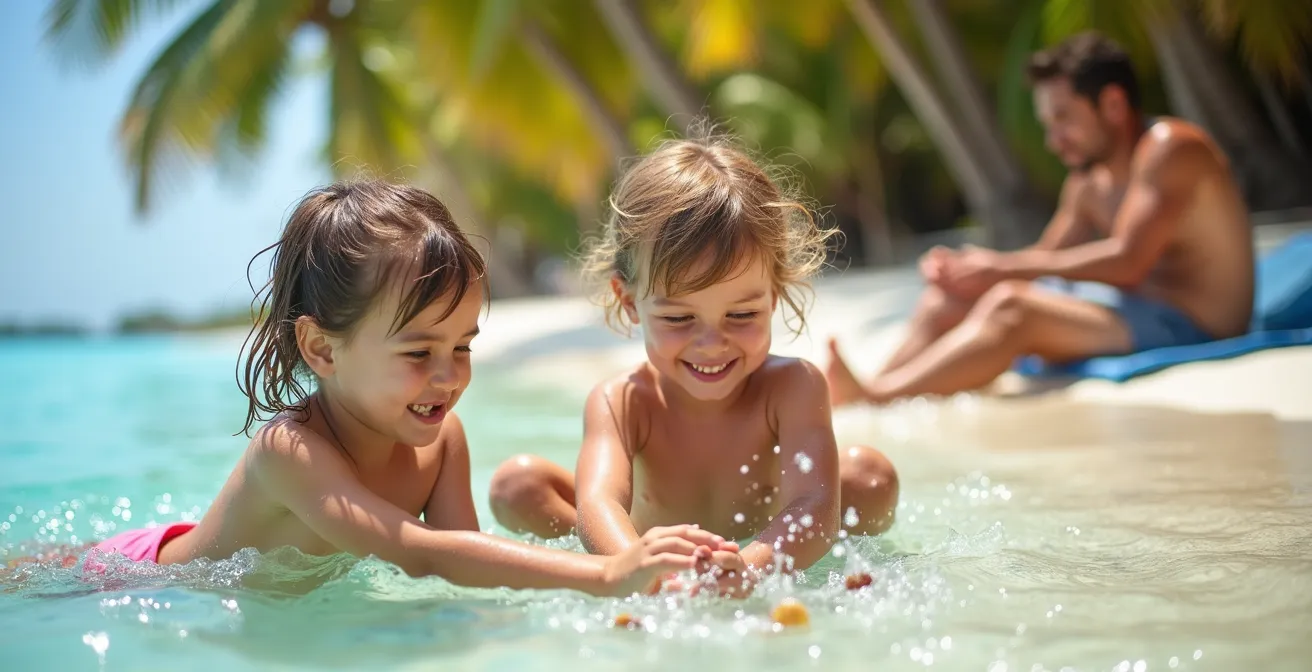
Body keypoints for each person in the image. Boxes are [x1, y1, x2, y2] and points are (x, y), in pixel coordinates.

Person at [84, 180, 742, 597]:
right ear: (321, 348)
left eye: (462, 346)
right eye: (418, 351)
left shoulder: (442, 443)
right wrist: (605, 574)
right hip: (140, 576)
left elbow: (464, 569)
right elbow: (416, 552)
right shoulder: (289, 452)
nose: (449, 374)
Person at [487, 137, 900, 594]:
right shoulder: (623, 400)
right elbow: (599, 500)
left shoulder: (792, 387)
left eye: (741, 315)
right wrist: (636, 566)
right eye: (679, 318)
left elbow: (814, 502)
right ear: (629, 301)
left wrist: (753, 565)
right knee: (517, 485)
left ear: (774, 295)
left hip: (761, 540)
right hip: (646, 541)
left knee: (869, 477)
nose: (711, 343)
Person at [825, 31, 1254, 406]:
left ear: (1113, 103)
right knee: (948, 301)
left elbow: (1128, 262)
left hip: (1194, 322)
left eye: (1063, 119)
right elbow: (1046, 258)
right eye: (1048, 124)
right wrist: (968, 272)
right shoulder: (1090, 181)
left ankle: (879, 398)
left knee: (1012, 307)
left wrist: (1000, 269)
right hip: (1131, 309)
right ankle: (867, 393)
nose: (1053, 140)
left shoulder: (1170, 149)